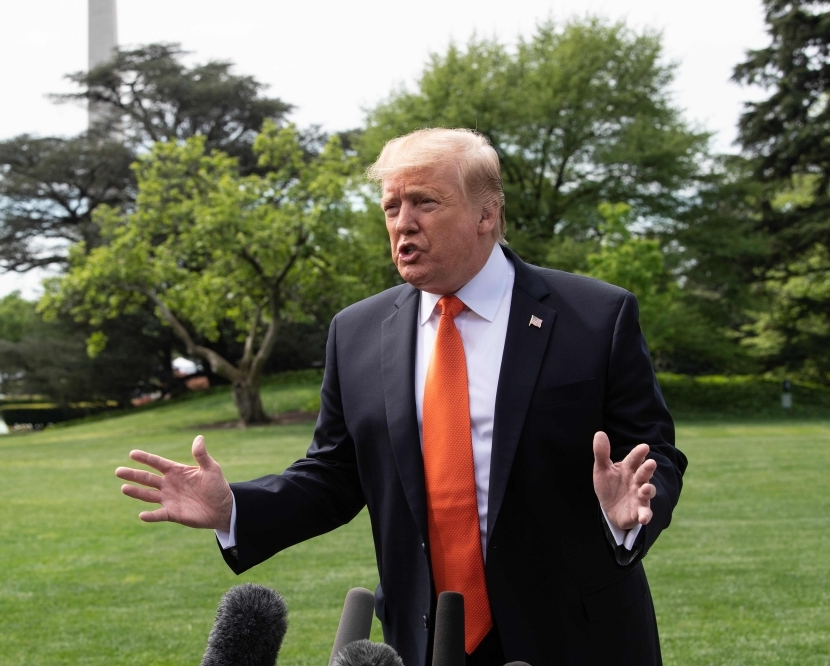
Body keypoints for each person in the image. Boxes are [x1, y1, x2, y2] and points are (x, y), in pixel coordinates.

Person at [116, 128, 688, 666]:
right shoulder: (357, 332)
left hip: (578, 637)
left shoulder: (595, 315)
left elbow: (653, 453)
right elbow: (335, 474)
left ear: (487, 213)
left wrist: (632, 510)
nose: (402, 224)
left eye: (425, 203)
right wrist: (235, 508)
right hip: (421, 641)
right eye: (392, 207)